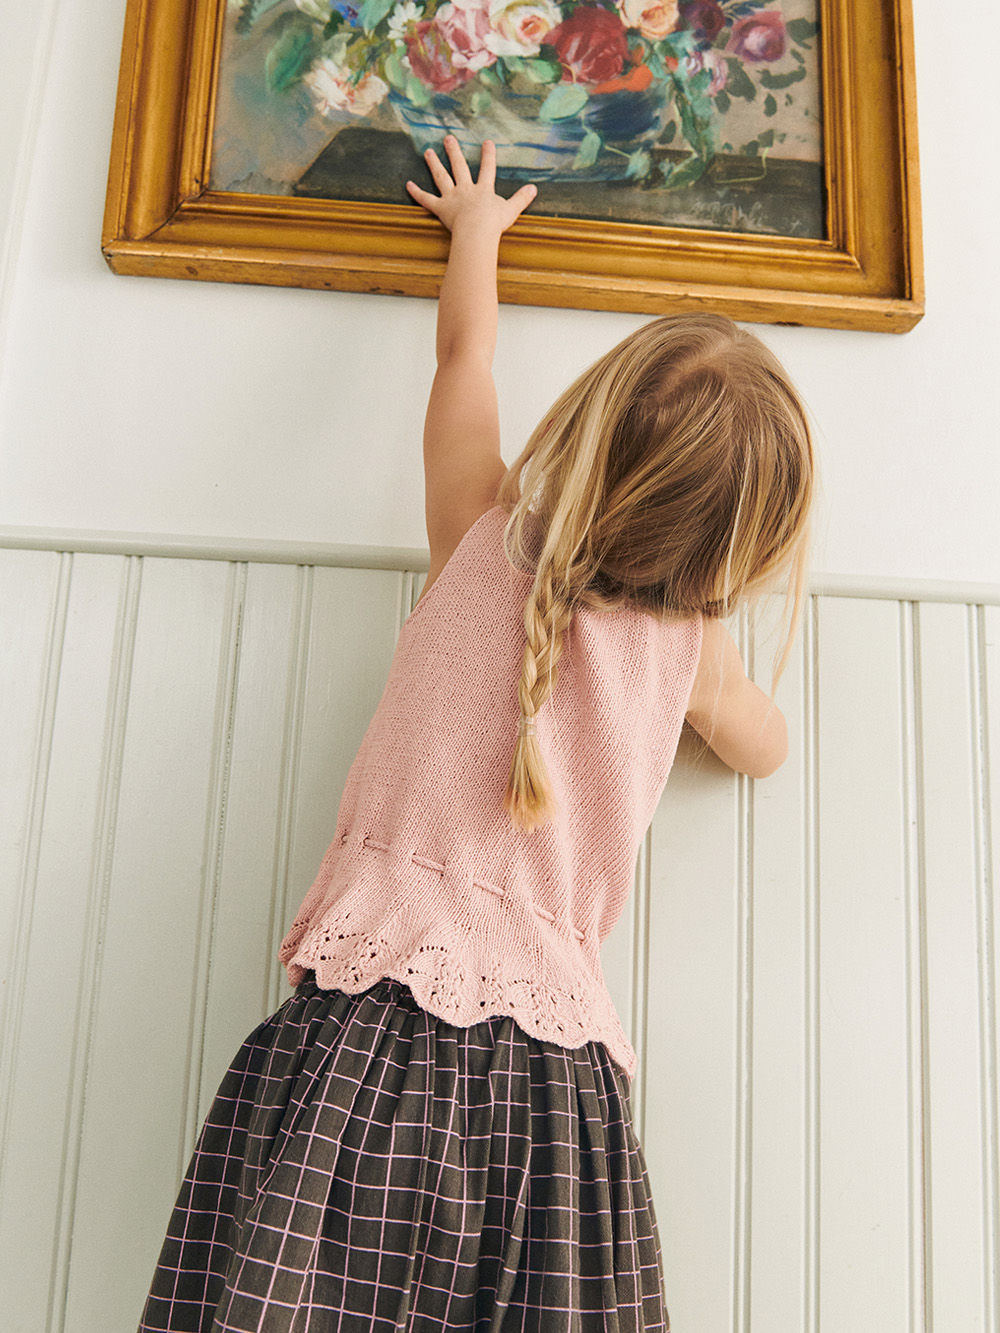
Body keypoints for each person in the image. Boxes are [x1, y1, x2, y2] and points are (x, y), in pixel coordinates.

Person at [137, 137, 815, 1333]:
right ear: (742, 542)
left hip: (368, 1038)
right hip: (551, 1094)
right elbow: (765, 746)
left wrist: (477, 235)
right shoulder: (692, 651)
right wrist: (705, 703)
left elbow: (466, 356)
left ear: (588, 435)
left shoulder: (479, 530)